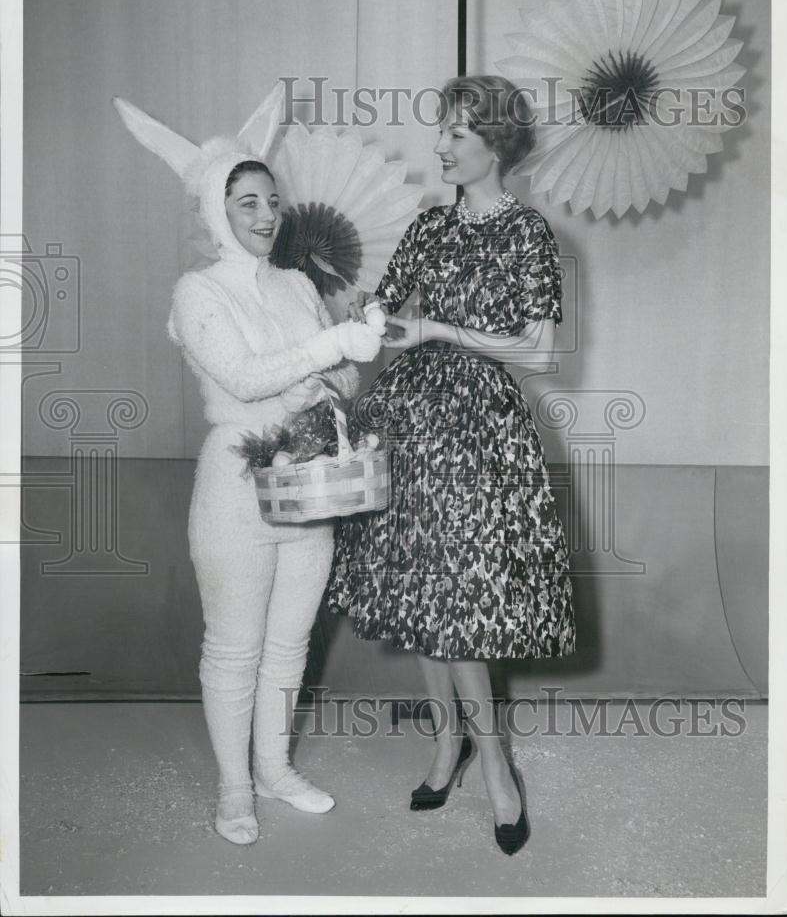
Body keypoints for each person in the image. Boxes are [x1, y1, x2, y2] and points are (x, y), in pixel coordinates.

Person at [114, 91, 383, 846]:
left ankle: (274, 767)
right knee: (234, 645)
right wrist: (330, 352)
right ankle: (234, 786)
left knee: (290, 643)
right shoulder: (197, 291)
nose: (266, 215)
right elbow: (243, 378)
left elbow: (331, 379)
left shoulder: (297, 283)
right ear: (213, 207)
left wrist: (348, 359)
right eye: (247, 202)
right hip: (237, 491)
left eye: (271, 200)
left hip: (311, 482)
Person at [326, 75, 576, 856]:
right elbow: (389, 319)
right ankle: (448, 743)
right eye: (442, 129)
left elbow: (542, 351)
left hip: (478, 431)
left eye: (458, 132)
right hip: (404, 424)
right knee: (425, 594)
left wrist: (440, 328)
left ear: (496, 143)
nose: (441, 143)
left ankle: (492, 760)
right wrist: (363, 317)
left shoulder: (527, 233)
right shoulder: (428, 227)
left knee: (460, 599)